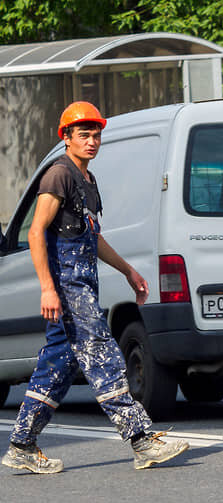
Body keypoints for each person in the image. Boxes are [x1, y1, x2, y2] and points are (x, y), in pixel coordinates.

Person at [2, 102, 189, 474]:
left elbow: (94, 238)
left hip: (83, 281)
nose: (92, 140)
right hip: (68, 286)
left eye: (96, 134)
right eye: (83, 134)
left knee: (59, 363)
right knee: (102, 354)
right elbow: (37, 231)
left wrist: (128, 271)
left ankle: (22, 444)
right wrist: (47, 288)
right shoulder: (59, 175)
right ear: (66, 137)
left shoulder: (87, 180)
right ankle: (140, 439)